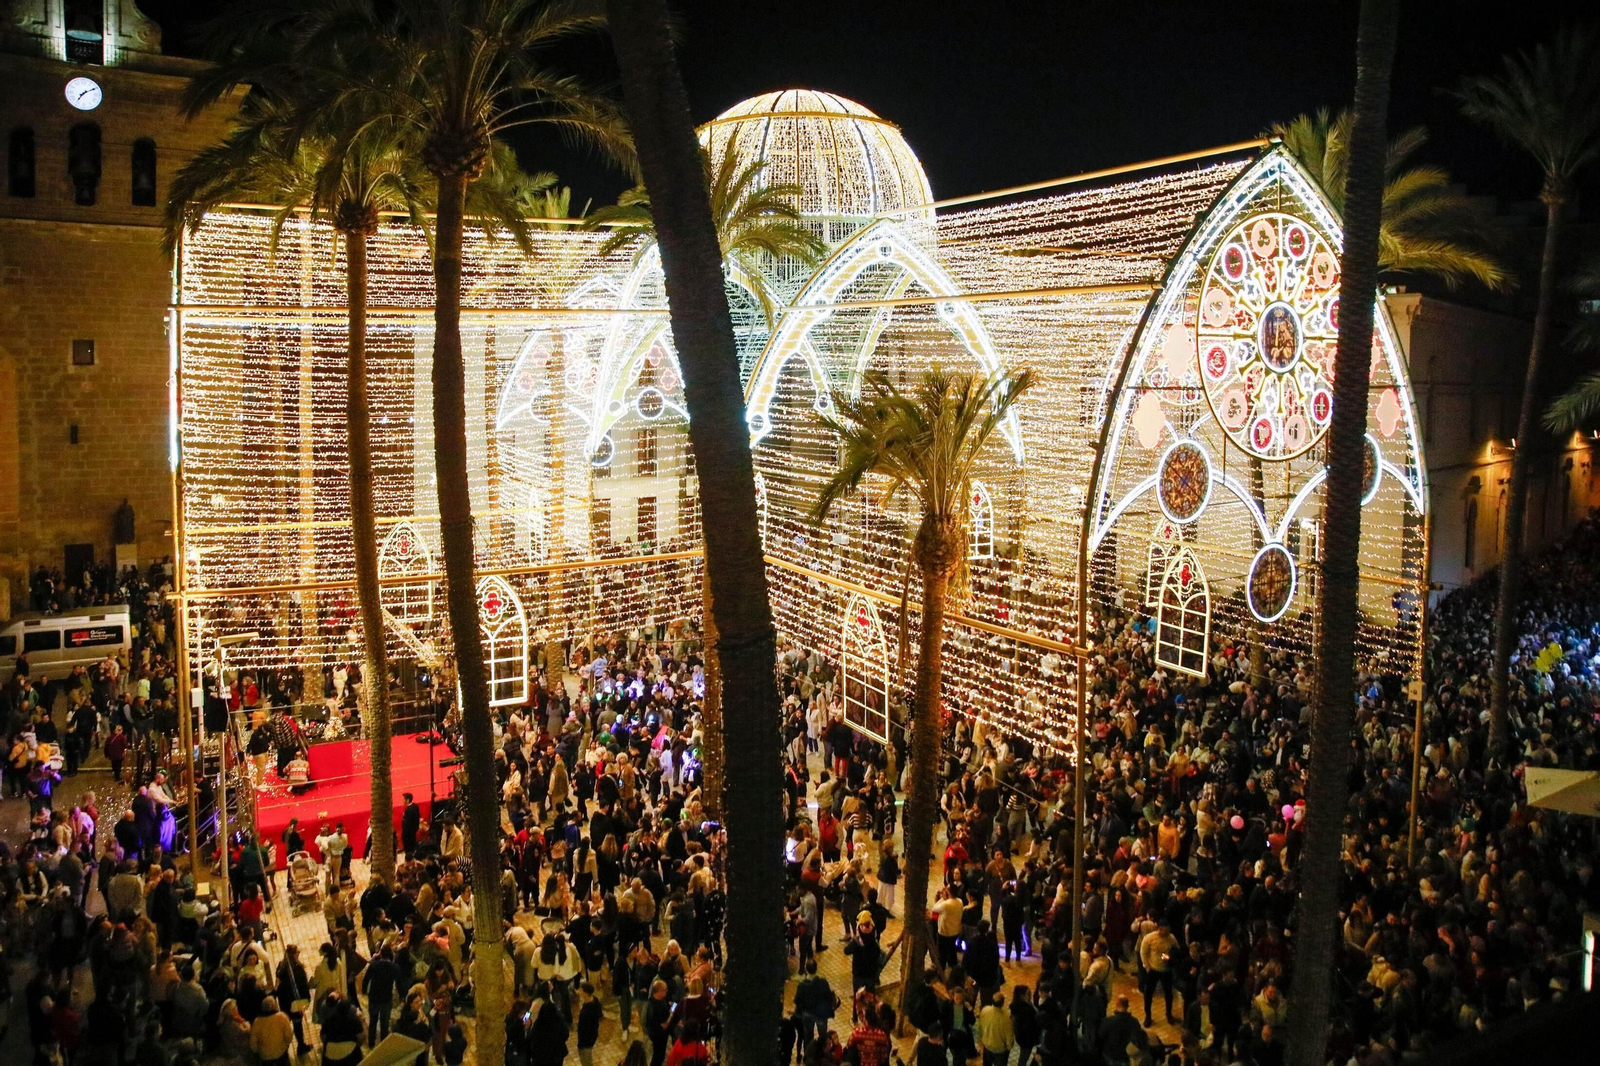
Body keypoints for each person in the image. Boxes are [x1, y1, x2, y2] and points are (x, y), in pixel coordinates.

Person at [249, 996, 296, 1066]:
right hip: (281, 1053)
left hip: (265, 1057)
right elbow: (289, 1036)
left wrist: (259, 1051)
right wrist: (286, 1044)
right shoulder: (282, 1017)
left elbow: (253, 1044)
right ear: (274, 1006)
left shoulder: (257, 1022)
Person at [976, 991, 1014, 1066]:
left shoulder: (985, 1010)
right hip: (1000, 1050)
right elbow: (1009, 1036)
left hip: (987, 1046)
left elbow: (980, 1027)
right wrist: (1009, 1047)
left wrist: (980, 1040)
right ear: (1002, 1003)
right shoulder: (1006, 1017)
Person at [576, 982, 604, 1066]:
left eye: (581, 990)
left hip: (586, 1040)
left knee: (586, 1061)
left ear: (586, 993)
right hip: (592, 1035)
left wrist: (580, 1044)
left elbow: (584, 1029)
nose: (579, 990)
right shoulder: (594, 1000)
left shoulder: (587, 1012)